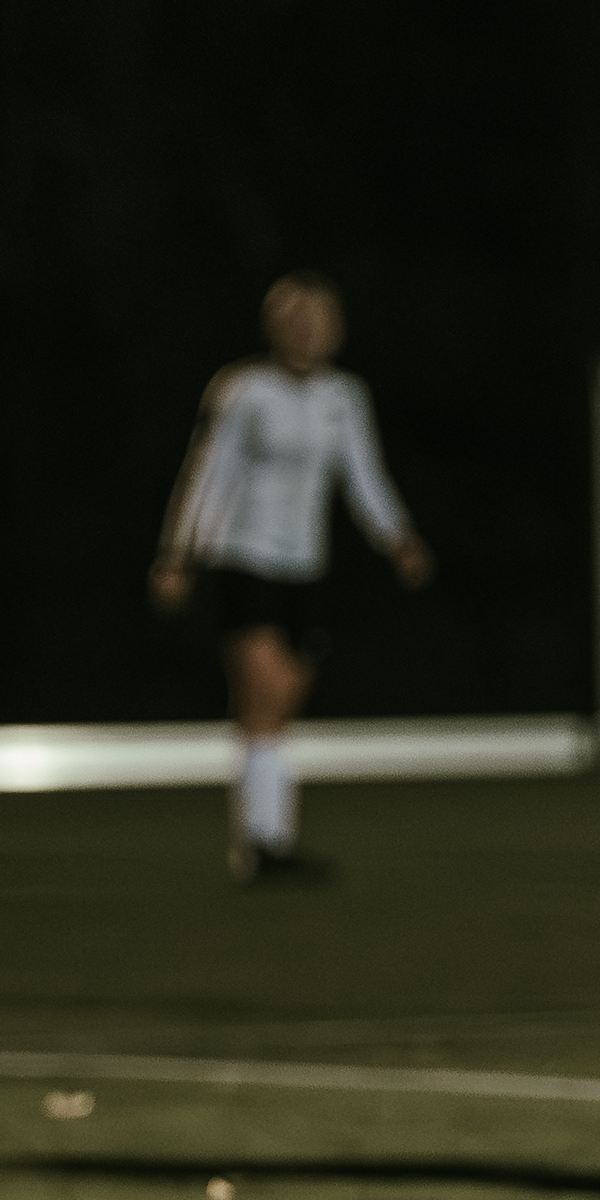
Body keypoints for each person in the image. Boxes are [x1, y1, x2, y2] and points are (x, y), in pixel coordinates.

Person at [150, 275, 432, 880]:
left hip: (306, 567)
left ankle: (268, 840)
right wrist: (178, 554)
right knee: (262, 696)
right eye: (294, 321)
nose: (307, 332)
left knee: (281, 707)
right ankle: (262, 842)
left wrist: (398, 538)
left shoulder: (344, 395)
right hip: (243, 558)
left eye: (317, 321)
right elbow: (209, 472)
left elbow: (363, 473)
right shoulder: (241, 389)